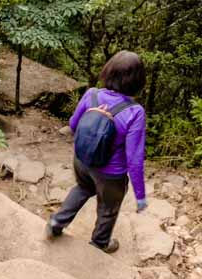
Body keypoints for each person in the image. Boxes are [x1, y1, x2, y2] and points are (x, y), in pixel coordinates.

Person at [46, 51, 148, 253]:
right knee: (108, 209)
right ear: (137, 81)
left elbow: (73, 124)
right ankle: (100, 244)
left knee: (82, 188)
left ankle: (57, 222)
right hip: (110, 175)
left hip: (82, 161)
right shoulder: (135, 112)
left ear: (108, 71)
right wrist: (140, 195)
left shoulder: (91, 94)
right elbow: (134, 160)